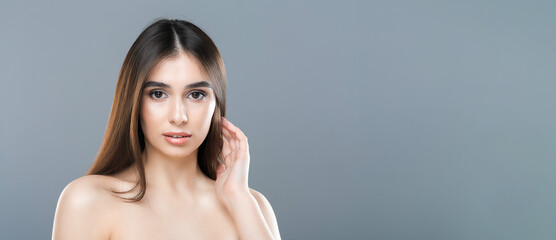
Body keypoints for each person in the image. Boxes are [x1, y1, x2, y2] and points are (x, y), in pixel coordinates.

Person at [52, 18, 281, 240]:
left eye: (196, 95)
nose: (178, 117)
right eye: (158, 94)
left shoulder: (251, 206)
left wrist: (238, 198)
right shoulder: (88, 201)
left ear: (216, 104)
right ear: (134, 103)